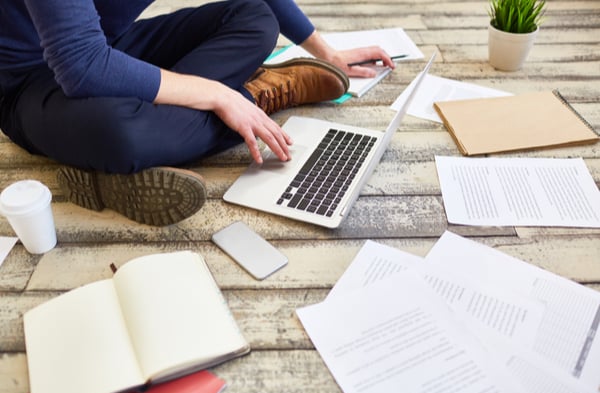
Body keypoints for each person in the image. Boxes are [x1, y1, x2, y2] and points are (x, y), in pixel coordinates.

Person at [0, 0, 394, 226]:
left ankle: (168, 133)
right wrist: (216, 93)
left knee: (253, 18)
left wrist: (328, 54)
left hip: (111, 46)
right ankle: (254, 95)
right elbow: (81, 66)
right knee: (122, 133)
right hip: (27, 85)